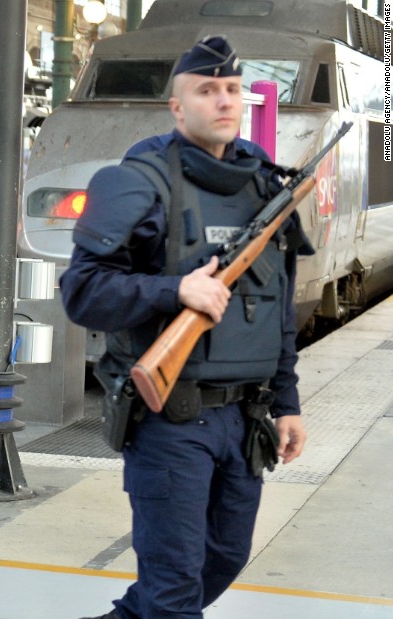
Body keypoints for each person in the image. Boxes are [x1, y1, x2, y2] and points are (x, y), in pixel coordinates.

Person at [61, 36, 309, 618]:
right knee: (173, 591)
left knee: (221, 562)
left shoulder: (266, 188)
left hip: (246, 420)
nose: (223, 100)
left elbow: (277, 309)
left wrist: (288, 402)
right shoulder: (139, 183)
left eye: (231, 89)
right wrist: (174, 289)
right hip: (169, 418)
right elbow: (81, 293)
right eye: (206, 90)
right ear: (177, 107)